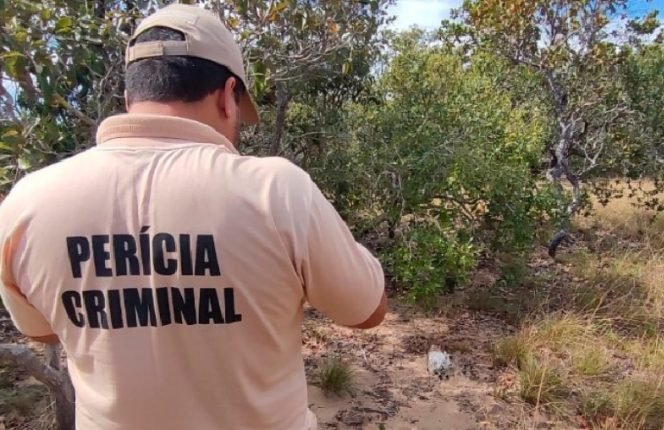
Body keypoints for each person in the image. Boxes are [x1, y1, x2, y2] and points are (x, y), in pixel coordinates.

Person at [0, 4, 386, 430]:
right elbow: (366, 310)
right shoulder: (277, 191)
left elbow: (41, 330)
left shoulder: (26, 205)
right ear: (227, 95)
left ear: (130, 99)